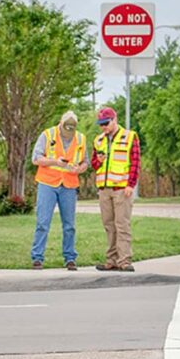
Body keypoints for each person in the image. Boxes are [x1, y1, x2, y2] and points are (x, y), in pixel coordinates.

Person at [30, 111, 88, 270]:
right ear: (60, 124)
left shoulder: (81, 139)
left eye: (71, 131)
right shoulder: (47, 135)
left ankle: (70, 258)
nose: (68, 134)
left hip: (69, 185)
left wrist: (79, 169)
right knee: (43, 222)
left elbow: (85, 162)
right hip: (47, 183)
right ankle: (37, 258)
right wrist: (55, 161)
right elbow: (36, 158)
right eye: (65, 130)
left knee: (69, 225)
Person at [91, 107, 140, 272]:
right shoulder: (98, 140)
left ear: (114, 120)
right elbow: (94, 165)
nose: (103, 127)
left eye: (106, 123)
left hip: (121, 189)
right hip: (104, 189)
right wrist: (98, 160)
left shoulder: (130, 136)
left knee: (122, 225)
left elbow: (135, 163)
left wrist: (130, 185)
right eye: (101, 124)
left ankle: (124, 261)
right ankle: (111, 261)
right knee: (109, 226)